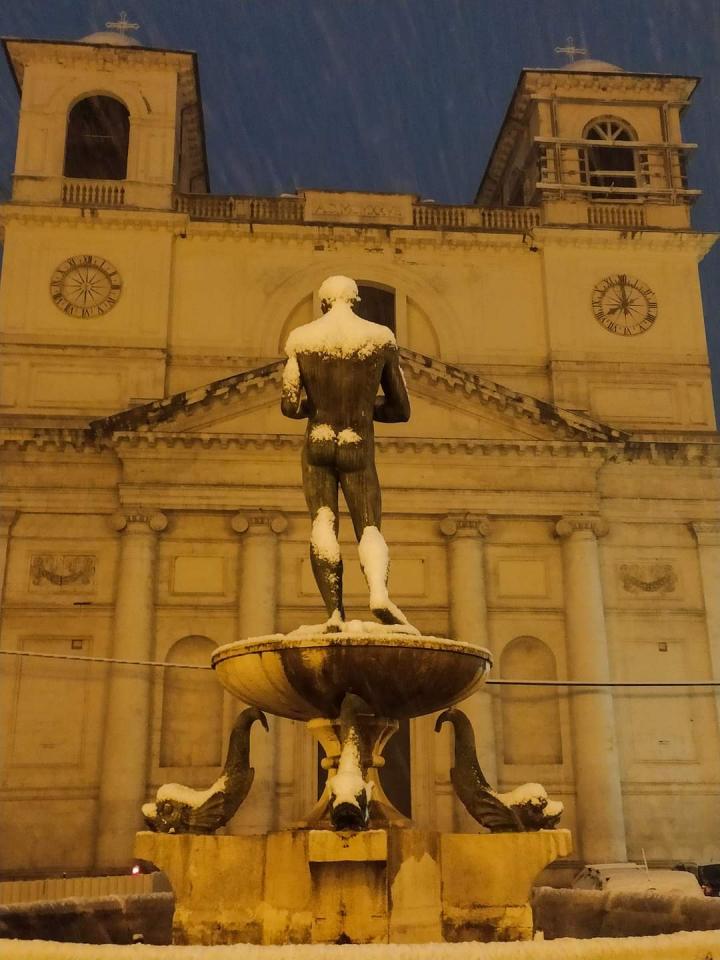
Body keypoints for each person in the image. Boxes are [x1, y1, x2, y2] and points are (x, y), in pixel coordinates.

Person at [281, 275, 415, 632]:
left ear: (324, 303)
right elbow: (401, 410)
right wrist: (364, 409)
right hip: (358, 442)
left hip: (319, 440)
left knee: (323, 521)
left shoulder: (301, 341)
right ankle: (379, 593)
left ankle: (334, 613)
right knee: (369, 525)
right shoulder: (380, 340)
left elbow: (289, 405)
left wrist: (317, 406)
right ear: (355, 302)